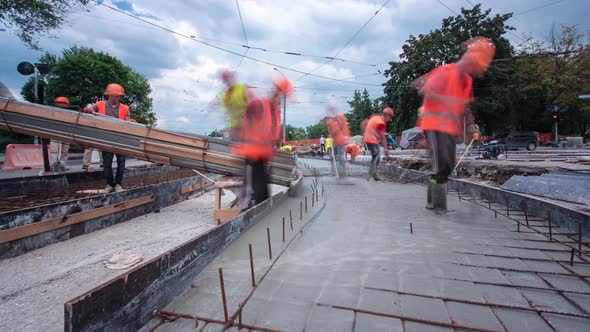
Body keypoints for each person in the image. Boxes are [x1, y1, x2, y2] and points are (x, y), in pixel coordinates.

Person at [415, 36, 495, 214]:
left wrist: (472, 127)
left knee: (448, 165)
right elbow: (425, 90)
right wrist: (450, 101)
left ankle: (433, 196)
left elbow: (465, 107)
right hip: (433, 125)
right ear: (468, 59)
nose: (475, 70)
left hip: (449, 128)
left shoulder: (467, 81)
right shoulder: (445, 72)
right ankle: (438, 206)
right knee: (440, 164)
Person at [232, 78, 290, 211]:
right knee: (250, 187)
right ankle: (245, 215)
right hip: (251, 153)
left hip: (262, 154)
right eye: (279, 92)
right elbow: (243, 123)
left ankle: (262, 211)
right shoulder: (259, 104)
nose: (280, 96)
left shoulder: (274, 109)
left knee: (263, 189)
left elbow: (272, 132)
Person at [83, 83, 131, 193]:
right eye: (115, 95)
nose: (117, 98)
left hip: (120, 139)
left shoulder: (125, 108)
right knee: (107, 163)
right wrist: (88, 110)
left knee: (121, 163)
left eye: (118, 96)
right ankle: (109, 184)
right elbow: (88, 109)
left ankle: (118, 183)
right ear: (109, 95)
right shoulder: (99, 105)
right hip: (106, 139)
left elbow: (128, 123)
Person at [362, 107, 394, 181]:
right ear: (386, 115)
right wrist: (386, 149)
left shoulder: (375, 118)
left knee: (375, 156)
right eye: (390, 118)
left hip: (368, 139)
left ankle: (372, 173)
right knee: (377, 156)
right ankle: (373, 174)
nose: (389, 120)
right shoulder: (381, 123)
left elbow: (366, 122)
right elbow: (382, 137)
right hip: (371, 140)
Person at [220, 70, 248, 141]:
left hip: (245, 125)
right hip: (234, 126)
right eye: (225, 79)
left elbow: (252, 102)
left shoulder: (241, 88)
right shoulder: (225, 94)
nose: (227, 81)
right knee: (233, 145)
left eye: (228, 78)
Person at [326, 107, 351, 176]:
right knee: (334, 155)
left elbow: (340, 127)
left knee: (340, 155)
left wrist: (333, 132)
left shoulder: (338, 120)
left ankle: (342, 169)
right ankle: (336, 168)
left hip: (340, 141)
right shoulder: (330, 122)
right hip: (334, 142)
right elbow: (329, 131)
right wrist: (331, 134)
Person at [49, 96, 71, 172]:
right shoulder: (53, 112)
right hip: (55, 132)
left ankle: (62, 165)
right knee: (55, 150)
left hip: (65, 133)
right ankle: (53, 165)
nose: (61, 105)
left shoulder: (69, 114)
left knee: (64, 151)